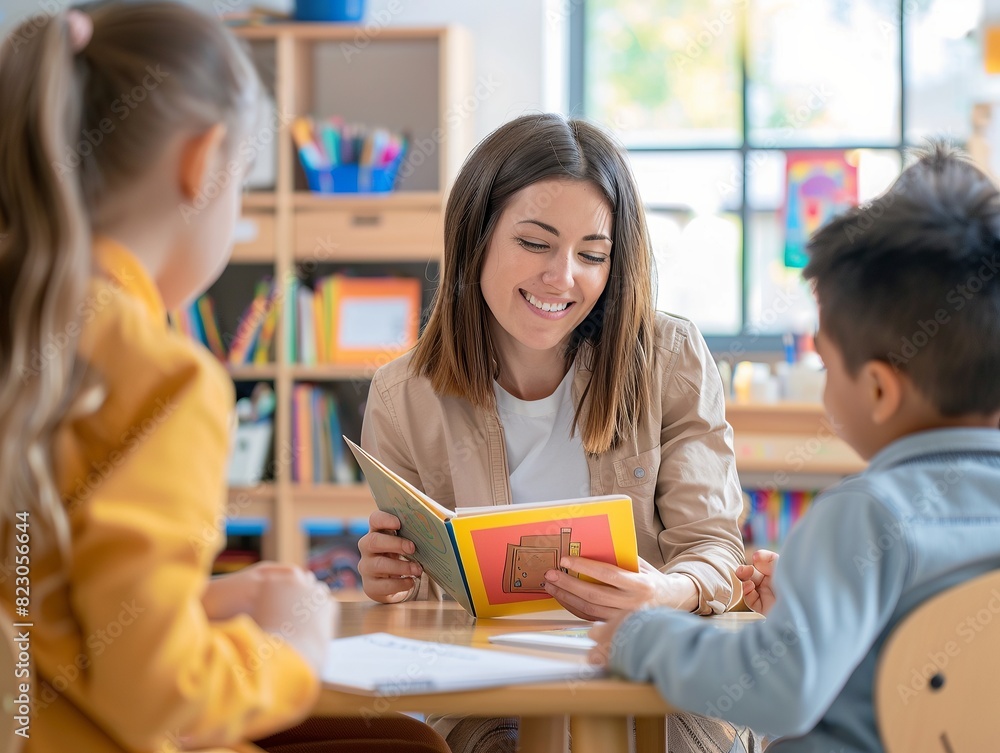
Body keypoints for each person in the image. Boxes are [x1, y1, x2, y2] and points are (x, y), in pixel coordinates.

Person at [0, 5, 447, 753]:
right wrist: (291, 647)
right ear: (202, 164)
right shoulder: (161, 376)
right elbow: (164, 700)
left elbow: (39, 602)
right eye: (242, 181)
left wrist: (202, 602)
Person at [357, 112, 757, 752]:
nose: (562, 277)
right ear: (475, 239)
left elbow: (714, 549)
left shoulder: (670, 356)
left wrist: (664, 590)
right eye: (536, 244)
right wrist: (394, 580)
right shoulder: (404, 396)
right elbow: (426, 605)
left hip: (651, 685)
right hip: (493, 702)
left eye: (592, 255)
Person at [591, 144, 1000, 753]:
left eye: (827, 364)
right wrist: (812, 605)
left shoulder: (866, 516)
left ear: (880, 389)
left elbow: (784, 685)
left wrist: (643, 635)